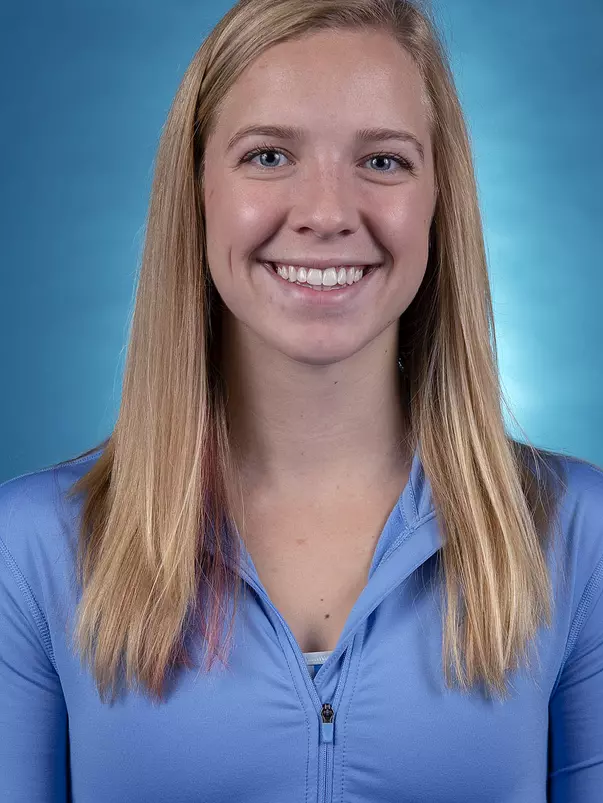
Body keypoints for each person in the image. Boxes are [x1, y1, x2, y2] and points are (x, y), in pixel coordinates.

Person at [1, 0, 602, 800]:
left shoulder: (575, 536)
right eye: (269, 156)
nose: (325, 213)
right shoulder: (32, 549)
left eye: (382, 161)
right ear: (198, 190)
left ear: (438, 202)